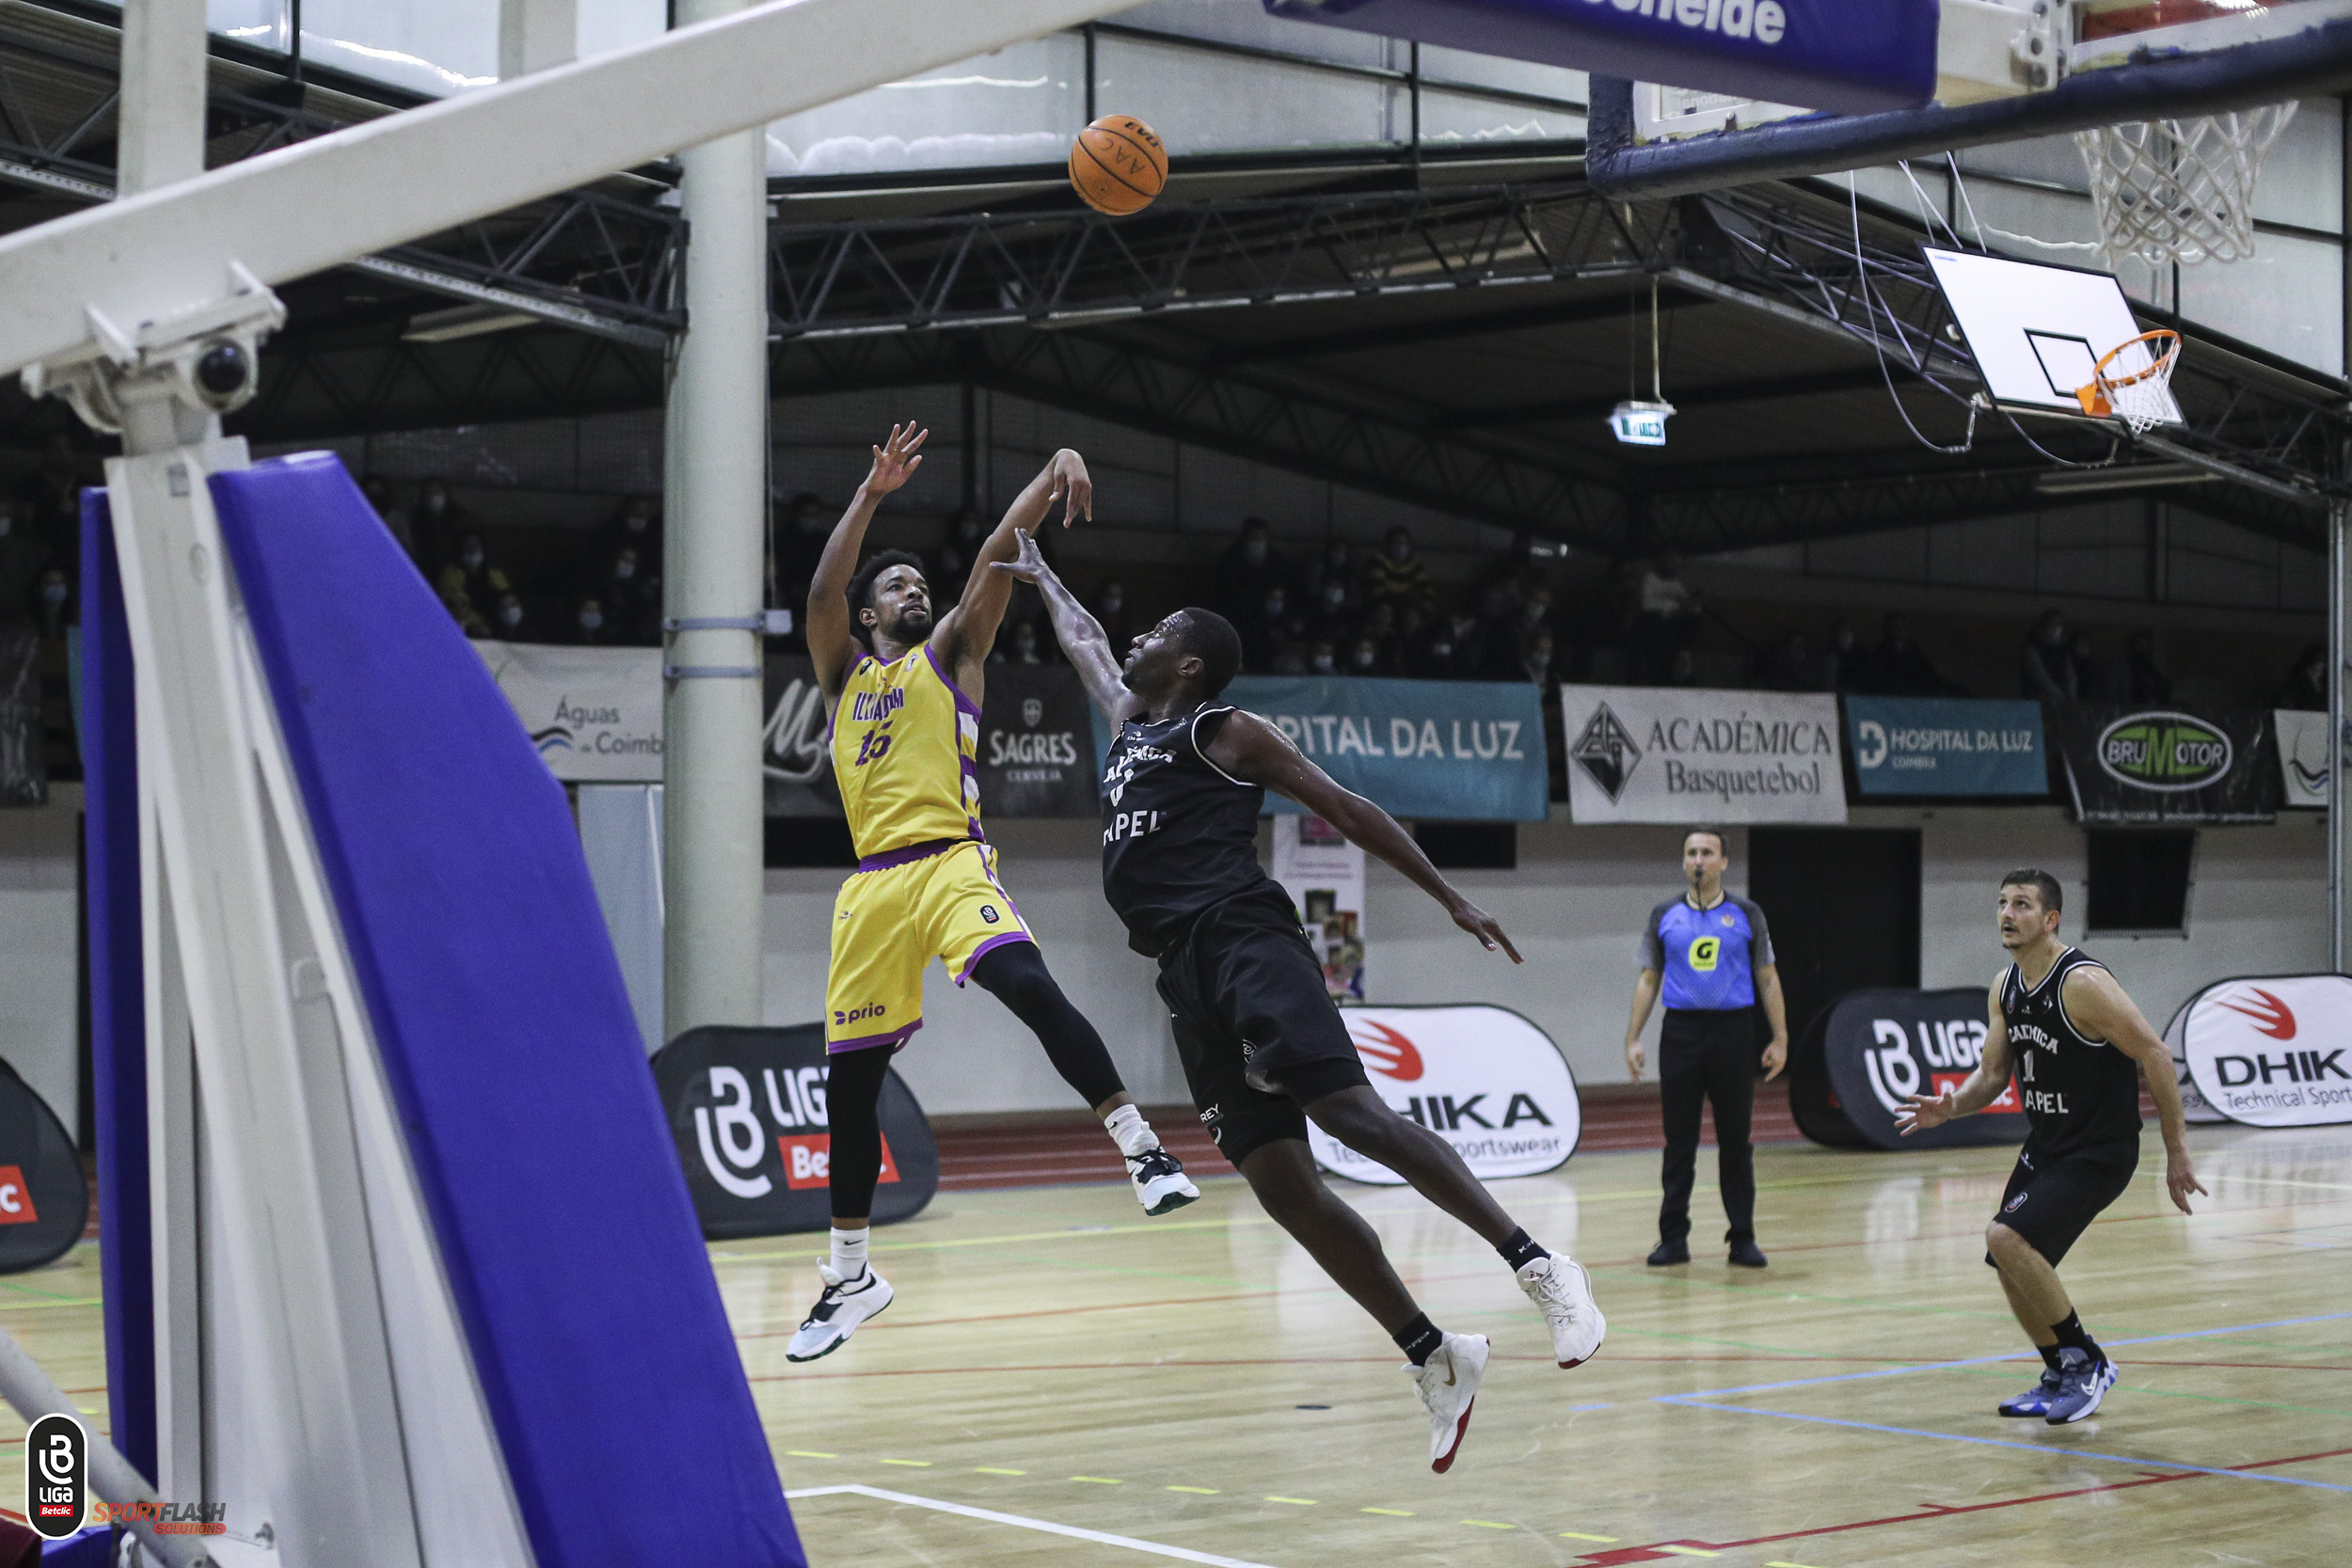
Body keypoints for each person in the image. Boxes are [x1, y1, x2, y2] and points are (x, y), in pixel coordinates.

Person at [997, 532, 1606, 1474]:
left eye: (1157, 629)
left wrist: (1450, 896)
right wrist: (1040, 575)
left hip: (1243, 935)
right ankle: (1434, 1352)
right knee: (1281, 1183)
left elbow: (1348, 806)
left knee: (1348, 1112)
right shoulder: (1129, 722)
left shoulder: (1224, 729)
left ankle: (1538, 1264)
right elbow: (1080, 636)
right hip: (1181, 972)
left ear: (1189, 661)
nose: (1137, 636)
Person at [787, 424, 1198, 1364]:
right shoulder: (843, 670)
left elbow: (994, 561)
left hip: (948, 862)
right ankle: (850, 1274)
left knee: (1030, 987)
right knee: (849, 1088)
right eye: (894, 585)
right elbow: (819, 591)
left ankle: (1140, 1146)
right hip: (870, 889)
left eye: (917, 585)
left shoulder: (950, 652)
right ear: (865, 609)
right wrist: (871, 491)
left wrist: (1051, 471)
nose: (913, 591)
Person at [1897, 870, 2205, 1424]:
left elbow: (2156, 1055)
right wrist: (1951, 1106)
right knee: (2008, 1260)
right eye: (2001, 904)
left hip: (2100, 1148)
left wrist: (2176, 1149)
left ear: (2051, 919)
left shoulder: (2081, 984)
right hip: (2049, 1144)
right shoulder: (2006, 985)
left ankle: (2087, 1361)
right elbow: (1992, 1075)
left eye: (2021, 905)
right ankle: (2059, 1370)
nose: (2007, 914)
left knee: (2005, 1235)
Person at [1624, 830, 1788, 1269]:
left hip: (1733, 1033)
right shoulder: (1665, 914)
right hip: (1680, 1033)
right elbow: (1648, 979)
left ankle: (1742, 1239)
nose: (1699, 860)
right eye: (1692, 853)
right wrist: (1633, 1037)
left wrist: (1780, 1037)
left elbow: (1768, 977)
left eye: (1707, 853)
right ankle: (1673, 1238)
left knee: (1736, 1141)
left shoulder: (1746, 913)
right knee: (1679, 1142)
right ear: (1684, 862)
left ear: (1723, 862)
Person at [2020, 609, 2074, 702]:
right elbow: (2039, 676)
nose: (2056, 627)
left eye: (2059, 623)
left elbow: (2070, 674)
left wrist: (2071, 695)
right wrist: (2061, 697)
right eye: (2052, 623)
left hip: (2061, 701)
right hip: (2037, 700)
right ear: (2044, 625)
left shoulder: (2063, 649)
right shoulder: (2032, 648)